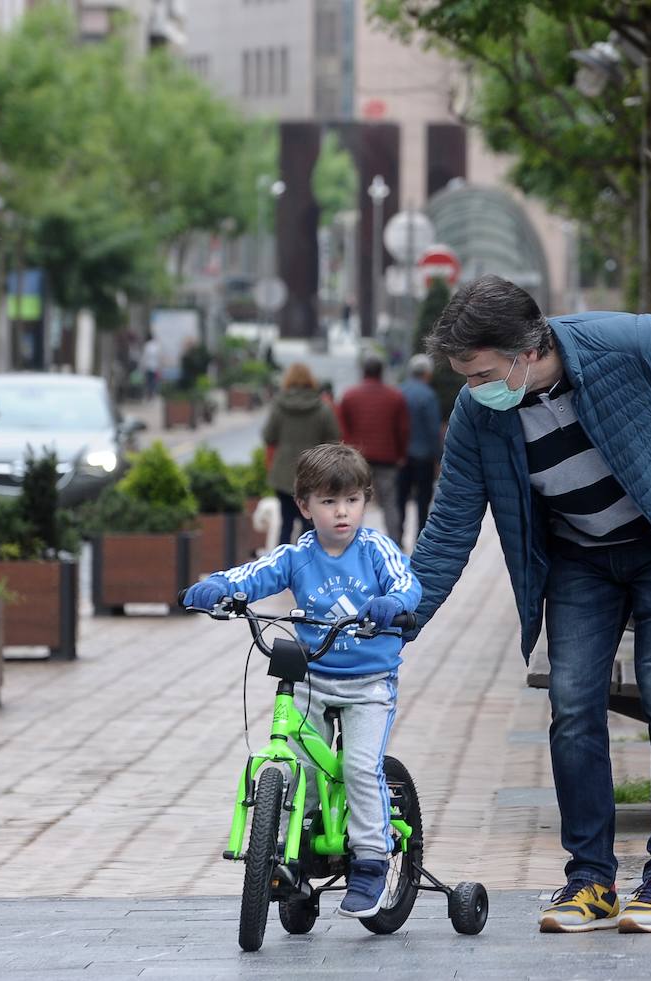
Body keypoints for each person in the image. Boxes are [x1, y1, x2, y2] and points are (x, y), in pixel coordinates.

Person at [408, 275, 651, 935]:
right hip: (579, 558)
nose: (472, 389)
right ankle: (589, 881)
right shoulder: (479, 413)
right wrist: (402, 618)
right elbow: (449, 525)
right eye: (463, 377)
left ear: (524, 352)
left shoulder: (632, 342)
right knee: (572, 705)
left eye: (479, 373)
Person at [182, 443, 422, 918]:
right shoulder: (297, 556)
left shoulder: (375, 549)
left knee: (357, 766)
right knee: (299, 767)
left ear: (365, 502)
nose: (342, 512)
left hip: (368, 682)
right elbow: (252, 576)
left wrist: (392, 604)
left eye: (352, 500)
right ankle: (297, 852)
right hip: (313, 676)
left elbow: (405, 582)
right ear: (305, 506)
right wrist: (218, 586)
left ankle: (372, 858)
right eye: (329, 502)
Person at [263, 362, 341, 546]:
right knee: (310, 521)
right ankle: (306, 565)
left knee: (286, 523)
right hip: (313, 473)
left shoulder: (279, 406)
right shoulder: (322, 408)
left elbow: (269, 436)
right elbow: (334, 439)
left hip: (283, 473)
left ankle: (281, 566)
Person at [338, 357, 410, 547]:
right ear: (381, 372)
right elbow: (402, 429)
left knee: (354, 501)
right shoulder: (395, 396)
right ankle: (395, 542)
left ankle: (351, 543)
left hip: (357, 459)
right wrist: (401, 454)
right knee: (389, 502)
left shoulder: (349, 396)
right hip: (387, 457)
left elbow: (342, 428)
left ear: (364, 372)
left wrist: (346, 452)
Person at [396, 354, 442, 550]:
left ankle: (397, 537)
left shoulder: (399, 392)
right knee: (423, 501)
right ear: (427, 373)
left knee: (400, 499)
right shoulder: (428, 395)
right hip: (423, 456)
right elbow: (433, 430)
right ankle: (420, 539)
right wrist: (439, 457)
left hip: (400, 457)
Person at [141, 334, 162, 400]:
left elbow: (144, 356)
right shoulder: (157, 346)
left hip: (148, 366)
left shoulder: (147, 345)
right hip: (154, 366)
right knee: (153, 381)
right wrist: (160, 366)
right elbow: (159, 357)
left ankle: (149, 393)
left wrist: (143, 366)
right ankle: (152, 393)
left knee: (149, 381)